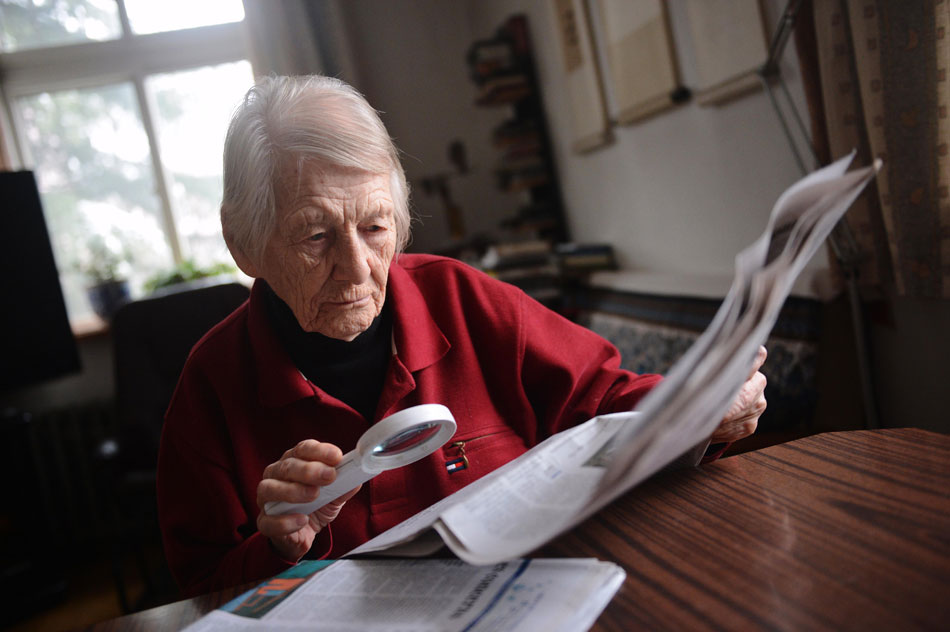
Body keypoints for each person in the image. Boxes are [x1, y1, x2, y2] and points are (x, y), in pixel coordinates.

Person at [156, 75, 767, 597]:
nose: (357, 266)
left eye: (375, 226)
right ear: (243, 242)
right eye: (315, 237)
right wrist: (280, 548)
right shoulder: (210, 385)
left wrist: (701, 408)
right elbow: (203, 595)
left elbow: (609, 400)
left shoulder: (464, 300)